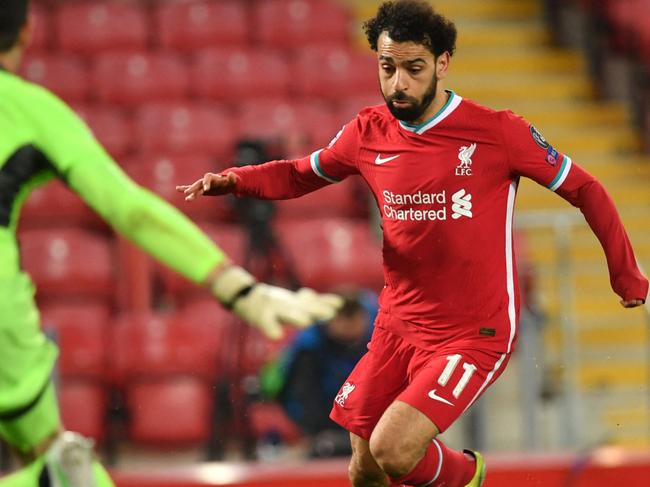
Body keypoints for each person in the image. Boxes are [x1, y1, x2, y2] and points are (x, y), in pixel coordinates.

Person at [178, 1, 649, 486]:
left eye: (413, 68)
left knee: (394, 449)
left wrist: (624, 272)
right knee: (363, 468)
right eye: (387, 67)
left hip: (472, 332)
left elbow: (585, 188)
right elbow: (302, 175)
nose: (398, 82)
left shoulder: (497, 131)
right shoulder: (367, 131)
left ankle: (470, 477)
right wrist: (237, 179)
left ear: (443, 63)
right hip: (397, 325)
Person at [0, 1, 342, 486]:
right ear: (28, 30)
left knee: (51, 452)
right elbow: (129, 208)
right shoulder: (33, 109)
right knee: (53, 460)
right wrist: (237, 287)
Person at [263, 290, 375, 458]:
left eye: (355, 319)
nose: (350, 326)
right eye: (344, 319)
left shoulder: (377, 343)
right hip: (319, 431)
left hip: (365, 429)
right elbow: (302, 397)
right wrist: (318, 434)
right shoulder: (308, 349)